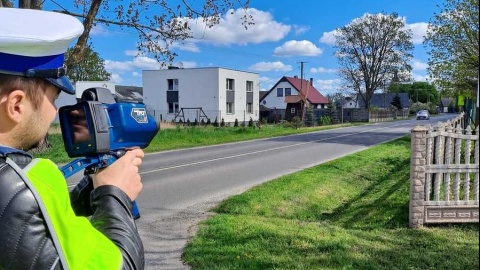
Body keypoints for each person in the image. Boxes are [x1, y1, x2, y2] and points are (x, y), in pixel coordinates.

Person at [0, 7, 145, 269]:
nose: (55, 112)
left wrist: (85, 195)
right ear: (16, 105)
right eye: (53, 100)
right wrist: (115, 195)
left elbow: (42, 242)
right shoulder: (26, 184)